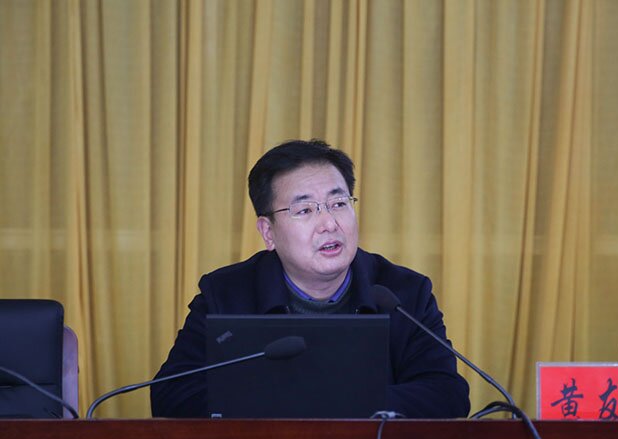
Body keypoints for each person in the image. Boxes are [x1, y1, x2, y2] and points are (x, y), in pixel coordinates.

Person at [151, 139, 470, 418]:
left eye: (339, 203)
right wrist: (305, 403)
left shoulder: (403, 293)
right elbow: (171, 393)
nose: (329, 223)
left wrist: (329, 402)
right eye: (304, 210)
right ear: (268, 232)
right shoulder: (225, 294)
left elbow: (447, 394)